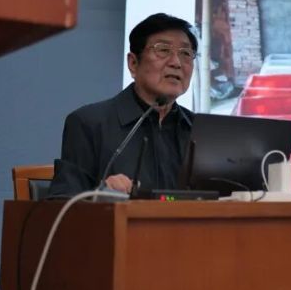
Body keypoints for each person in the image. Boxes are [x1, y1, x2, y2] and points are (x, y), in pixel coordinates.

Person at [49, 14, 197, 196]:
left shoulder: (199, 130)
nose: (176, 63)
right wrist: (100, 194)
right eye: (163, 50)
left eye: (185, 53)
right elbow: (62, 201)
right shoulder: (89, 124)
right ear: (133, 63)